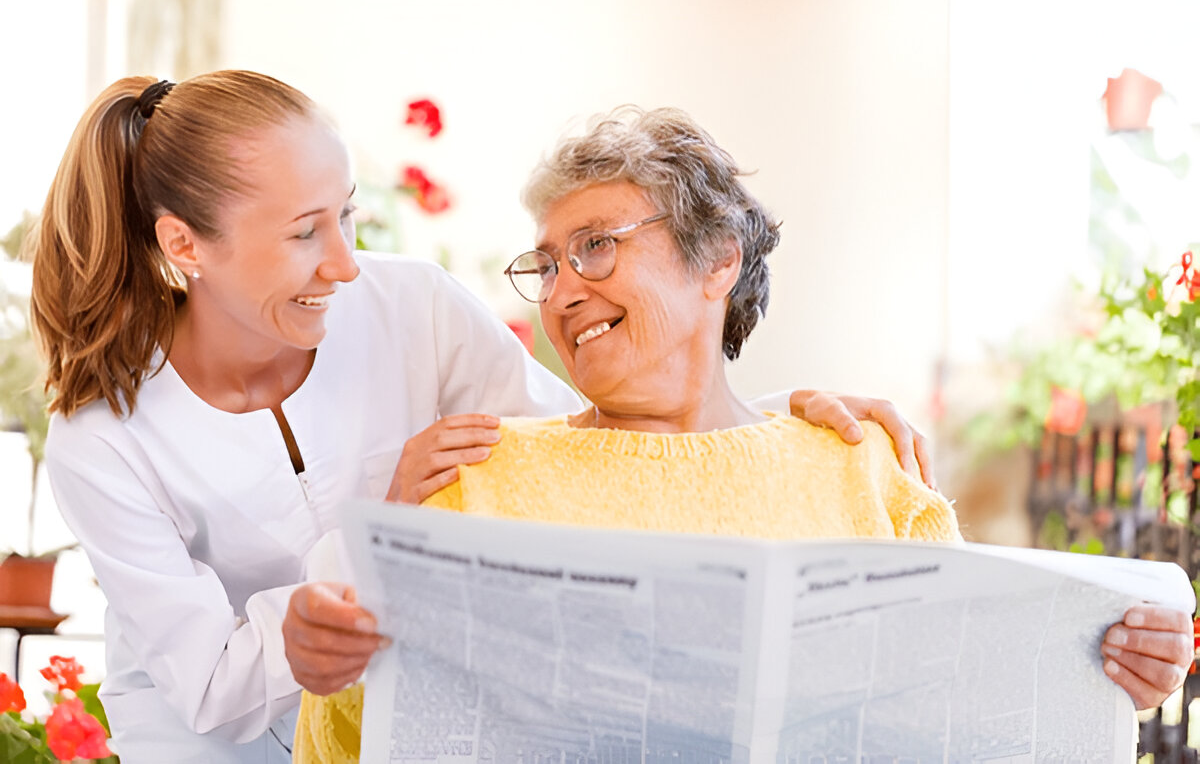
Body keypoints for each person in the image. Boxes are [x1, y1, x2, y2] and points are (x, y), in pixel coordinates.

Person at [31, 72, 935, 763]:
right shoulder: (102, 438)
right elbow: (216, 688)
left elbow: (599, 435)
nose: (346, 264)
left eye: (347, 217)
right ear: (185, 246)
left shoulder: (410, 307)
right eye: (306, 232)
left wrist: (776, 428)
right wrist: (374, 533)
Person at [290, 106, 1195, 763]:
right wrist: (332, 664)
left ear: (718, 258)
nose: (563, 291)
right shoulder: (471, 476)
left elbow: (978, 721)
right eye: (548, 263)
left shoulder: (864, 470)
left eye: (596, 245)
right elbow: (357, 746)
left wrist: (1108, 681)